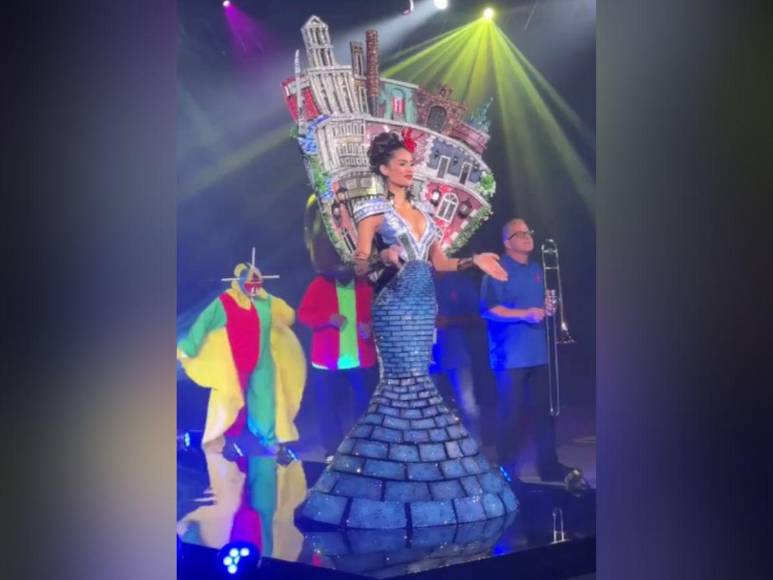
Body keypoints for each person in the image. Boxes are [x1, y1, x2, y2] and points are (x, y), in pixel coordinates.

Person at [301, 131, 517, 529]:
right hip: (394, 305)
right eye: (401, 164)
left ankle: (420, 475)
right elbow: (359, 265)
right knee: (402, 387)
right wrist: (382, 254)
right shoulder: (373, 210)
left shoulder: (424, 212)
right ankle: (385, 477)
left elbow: (440, 263)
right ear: (384, 169)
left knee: (420, 384)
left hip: (423, 306)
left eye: (410, 163)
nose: (409, 169)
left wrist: (474, 260)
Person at [480, 218, 579, 483]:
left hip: (539, 352)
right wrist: (524, 314)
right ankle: (507, 471)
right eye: (520, 234)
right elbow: (488, 310)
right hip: (509, 355)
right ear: (506, 242)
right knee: (510, 415)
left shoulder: (537, 268)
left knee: (545, 413)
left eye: (528, 232)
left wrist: (548, 307)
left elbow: (539, 305)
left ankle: (548, 465)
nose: (527, 237)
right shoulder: (496, 269)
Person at [177, 261, 306, 458]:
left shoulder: (265, 301)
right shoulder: (227, 301)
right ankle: (229, 443)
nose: (254, 286)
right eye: (250, 281)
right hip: (236, 364)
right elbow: (204, 322)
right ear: (239, 280)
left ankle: (272, 443)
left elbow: (289, 316)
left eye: (257, 281)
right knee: (233, 403)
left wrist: (269, 301)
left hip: (263, 362)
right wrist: (190, 347)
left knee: (267, 403)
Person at [298, 260, 378, 462]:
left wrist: (370, 329)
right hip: (327, 359)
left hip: (359, 359)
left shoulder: (365, 286)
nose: (344, 269)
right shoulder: (320, 284)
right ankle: (332, 449)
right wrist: (327, 318)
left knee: (364, 405)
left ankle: (360, 445)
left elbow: (378, 316)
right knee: (327, 406)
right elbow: (304, 314)